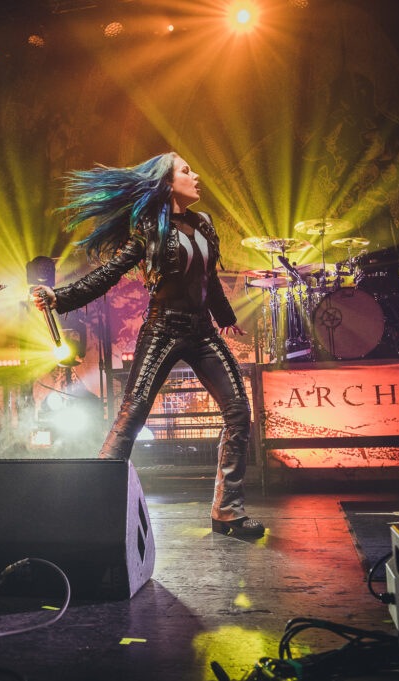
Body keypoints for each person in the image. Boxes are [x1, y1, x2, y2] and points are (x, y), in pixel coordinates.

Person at [32, 151, 264, 538]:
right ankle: (93, 506)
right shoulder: (149, 228)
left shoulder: (205, 224)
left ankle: (227, 511)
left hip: (202, 330)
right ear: (168, 182)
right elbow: (110, 273)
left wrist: (226, 319)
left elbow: (209, 281)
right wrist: (60, 297)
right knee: (132, 416)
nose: (197, 175)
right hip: (163, 328)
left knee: (239, 412)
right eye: (187, 171)